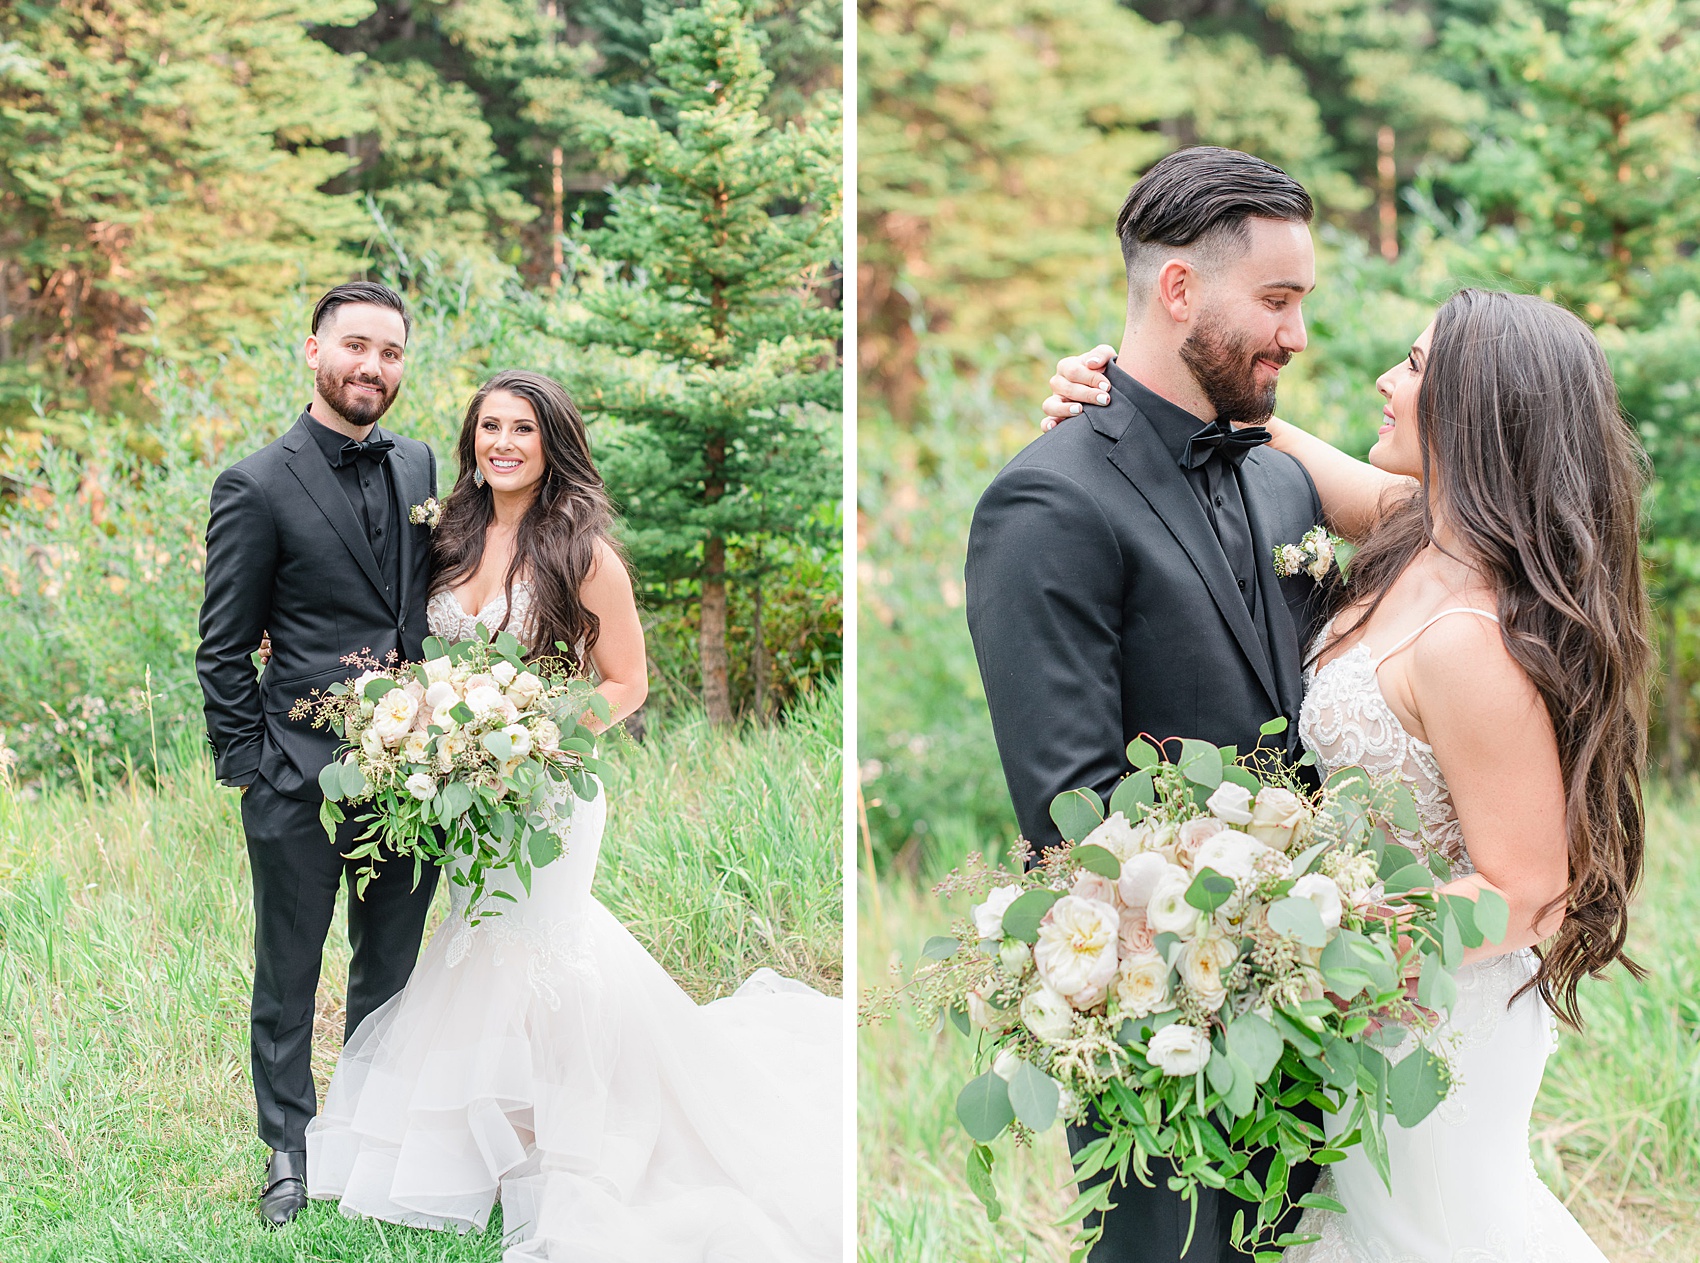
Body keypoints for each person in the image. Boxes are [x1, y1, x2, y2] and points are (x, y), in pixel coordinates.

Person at [1040, 289, 1650, 1260]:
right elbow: (1257, 430)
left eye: (1411, 366)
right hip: (1364, 1001)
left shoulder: (1467, 641)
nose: (1382, 379)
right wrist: (1110, 389)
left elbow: (1532, 889)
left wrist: (1329, 953)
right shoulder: (1417, 528)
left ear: (1475, 410)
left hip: (1430, 1008)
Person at [302, 369, 843, 1262]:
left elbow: (627, 682)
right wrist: (437, 734)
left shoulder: (582, 550)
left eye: (522, 428)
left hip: (547, 791)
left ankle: (575, 1133)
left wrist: (530, 730)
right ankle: (497, 1128)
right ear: (472, 439)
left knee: (543, 948)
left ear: (552, 442)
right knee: (475, 941)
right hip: (461, 791)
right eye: (489, 428)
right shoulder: (446, 537)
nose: (502, 443)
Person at [965, 146, 1329, 1263]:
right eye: (1274, 301)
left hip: (1321, 985)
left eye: (1300, 303)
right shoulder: (1047, 497)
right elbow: (1068, 806)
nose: (1296, 335)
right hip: (1158, 1006)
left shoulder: (1283, 477)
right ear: (1178, 290)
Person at [197, 281, 441, 1227]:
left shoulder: (420, 464)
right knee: (288, 969)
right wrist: (253, 766)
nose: (372, 367)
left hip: (415, 771)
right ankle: (287, 1152)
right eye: (356, 347)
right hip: (295, 774)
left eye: (389, 352)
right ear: (312, 350)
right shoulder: (255, 485)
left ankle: (369, 1131)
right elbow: (222, 647)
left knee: (391, 963)